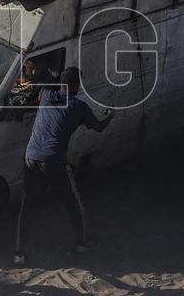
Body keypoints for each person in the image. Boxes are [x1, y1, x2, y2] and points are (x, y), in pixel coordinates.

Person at [13, 67, 114, 265]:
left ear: (60, 84)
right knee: (72, 201)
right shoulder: (79, 107)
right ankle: (81, 242)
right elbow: (98, 128)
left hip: (30, 156)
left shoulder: (47, 96)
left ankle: (19, 253)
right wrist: (109, 115)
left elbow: (44, 84)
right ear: (76, 86)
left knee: (28, 206)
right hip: (53, 160)